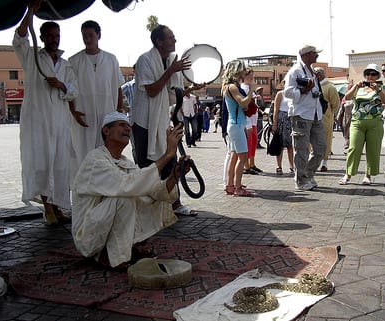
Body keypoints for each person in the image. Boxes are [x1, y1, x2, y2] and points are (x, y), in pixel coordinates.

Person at [71, 112, 188, 269]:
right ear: (106, 131)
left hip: (103, 221)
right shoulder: (95, 160)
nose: (127, 129)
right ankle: (111, 255)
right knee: (124, 197)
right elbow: (125, 185)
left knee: (150, 197)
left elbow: (153, 190)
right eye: (122, 125)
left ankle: (128, 246)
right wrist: (167, 155)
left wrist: (174, 175)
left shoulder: (125, 163)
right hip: (88, 234)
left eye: (128, 125)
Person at [12, 1, 78, 224]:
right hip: (38, 121)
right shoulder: (32, 58)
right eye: (49, 35)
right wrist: (30, 11)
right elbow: (19, 38)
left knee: (59, 164)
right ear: (41, 37)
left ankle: (57, 207)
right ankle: (48, 208)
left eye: (56, 34)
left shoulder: (66, 65)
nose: (54, 38)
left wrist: (62, 85)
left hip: (59, 122)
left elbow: (73, 90)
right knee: (41, 163)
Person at [130, 24, 204, 215]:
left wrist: (190, 90)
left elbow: (171, 95)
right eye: (171, 38)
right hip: (144, 122)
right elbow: (152, 91)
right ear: (159, 41)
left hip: (163, 120)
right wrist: (171, 71)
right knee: (147, 164)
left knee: (170, 160)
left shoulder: (172, 61)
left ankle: (174, 203)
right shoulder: (145, 60)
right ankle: (148, 204)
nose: (175, 40)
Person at [68, 20, 125, 181]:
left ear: (98, 35)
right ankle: (84, 192)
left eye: (90, 35)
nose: (87, 39)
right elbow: (69, 91)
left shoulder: (111, 59)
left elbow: (118, 87)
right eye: (84, 35)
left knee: (106, 155)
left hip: (107, 117)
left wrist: (119, 113)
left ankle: (105, 192)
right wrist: (73, 111)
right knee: (83, 155)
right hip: (83, 118)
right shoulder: (74, 61)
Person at [283, 45, 326, 191]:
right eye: (314, 54)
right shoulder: (295, 71)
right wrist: (303, 90)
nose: (317, 56)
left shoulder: (311, 71)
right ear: (306, 55)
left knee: (321, 148)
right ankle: (301, 180)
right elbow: (287, 92)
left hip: (315, 113)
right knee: (301, 150)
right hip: (301, 114)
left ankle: (307, 173)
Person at [338, 63, 385, 185]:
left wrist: (377, 90)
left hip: (375, 123)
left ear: (378, 76)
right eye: (367, 74)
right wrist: (355, 86)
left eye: (373, 74)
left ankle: (368, 175)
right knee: (353, 148)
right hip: (357, 122)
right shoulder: (358, 87)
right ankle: (348, 174)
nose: (370, 76)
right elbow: (347, 97)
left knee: (373, 150)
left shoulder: (382, 88)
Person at [222, 60, 254, 197]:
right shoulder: (233, 87)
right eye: (242, 70)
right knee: (242, 157)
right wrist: (251, 91)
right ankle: (238, 187)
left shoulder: (229, 87)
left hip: (234, 124)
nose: (244, 72)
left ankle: (230, 185)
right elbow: (243, 103)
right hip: (237, 125)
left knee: (235, 156)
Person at [314, 66, 340, 172]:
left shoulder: (330, 87)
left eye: (314, 73)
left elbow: (335, 103)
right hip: (312, 116)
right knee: (312, 140)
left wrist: (329, 113)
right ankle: (313, 162)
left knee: (325, 139)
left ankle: (324, 162)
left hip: (325, 117)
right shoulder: (312, 85)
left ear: (319, 75)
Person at [241, 68, 262, 175]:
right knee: (248, 143)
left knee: (254, 141)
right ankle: (246, 165)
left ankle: (252, 163)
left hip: (253, 119)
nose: (252, 78)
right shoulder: (243, 88)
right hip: (247, 119)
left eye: (252, 76)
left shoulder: (251, 88)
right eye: (249, 76)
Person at [272, 80, 294, 175]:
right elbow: (276, 110)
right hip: (281, 119)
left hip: (291, 119)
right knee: (279, 144)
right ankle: (279, 166)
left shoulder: (293, 94)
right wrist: (274, 123)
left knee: (290, 145)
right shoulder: (280, 94)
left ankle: (292, 166)